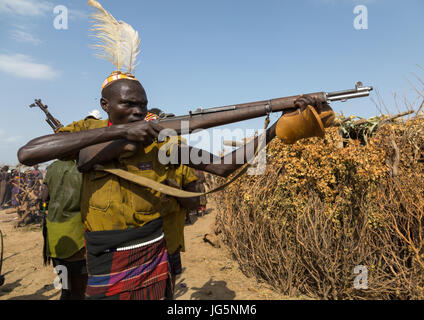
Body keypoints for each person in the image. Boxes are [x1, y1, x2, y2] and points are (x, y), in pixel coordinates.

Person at [17, 0, 328, 300]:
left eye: (142, 105)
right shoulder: (87, 131)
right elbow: (28, 153)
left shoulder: (162, 142)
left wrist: (274, 129)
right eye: (128, 104)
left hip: (154, 245)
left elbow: (223, 167)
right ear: (105, 105)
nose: (138, 111)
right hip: (104, 251)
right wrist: (124, 132)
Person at [41, 160, 87, 300]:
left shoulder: (52, 168)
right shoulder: (83, 165)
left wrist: (44, 210)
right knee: (80, 292)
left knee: (65, 288)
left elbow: (43, 199)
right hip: (77, 237)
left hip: (55, 237)